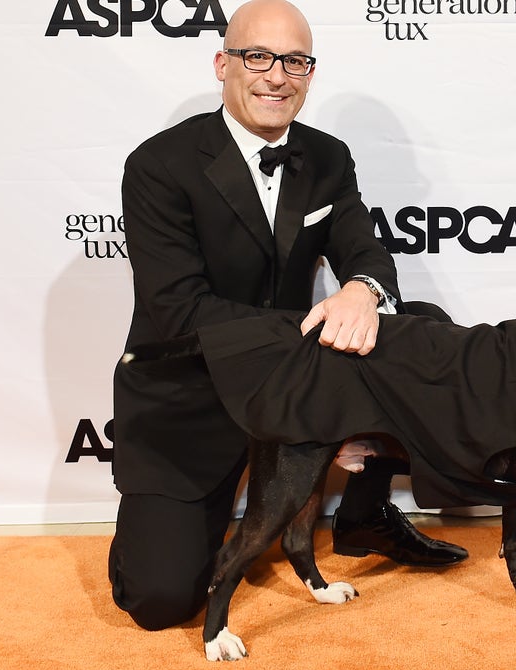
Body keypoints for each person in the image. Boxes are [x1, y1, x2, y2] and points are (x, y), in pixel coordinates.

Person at [108, 0, 467, 631]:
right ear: (223, 63)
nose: (278, 75)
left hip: (293, 380)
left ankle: (363, 510)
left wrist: (360, 287)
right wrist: (314, 362)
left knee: (422, 325)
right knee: (160, 601)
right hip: (193, 389)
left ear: (309, 72)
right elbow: (178, 311)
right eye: (259, 56)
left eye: (296, 61)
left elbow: (363, 249)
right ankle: (196, 515)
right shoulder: (158, 166)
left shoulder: (327, 157)